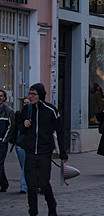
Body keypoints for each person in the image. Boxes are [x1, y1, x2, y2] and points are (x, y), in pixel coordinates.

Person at [17, 83, 68, 216]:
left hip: (45, 151)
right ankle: (33, 211)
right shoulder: (27, 109)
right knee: (31, 185)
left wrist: (62, 152)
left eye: (33, 94)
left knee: (44, 182)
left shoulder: (51, 110)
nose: (30, 96)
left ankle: (52, 205)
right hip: (30, 151)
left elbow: (60, 130)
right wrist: (24, 125)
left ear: (40, 95)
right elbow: (19, 128)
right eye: (30, 94)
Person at [0, 89, 14, 192]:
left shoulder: (8, 111)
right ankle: (4, 183)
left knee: (0, 162)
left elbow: (11, 126)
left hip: (2, 141)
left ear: (4, 98)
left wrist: (5, 140)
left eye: (1, 96)